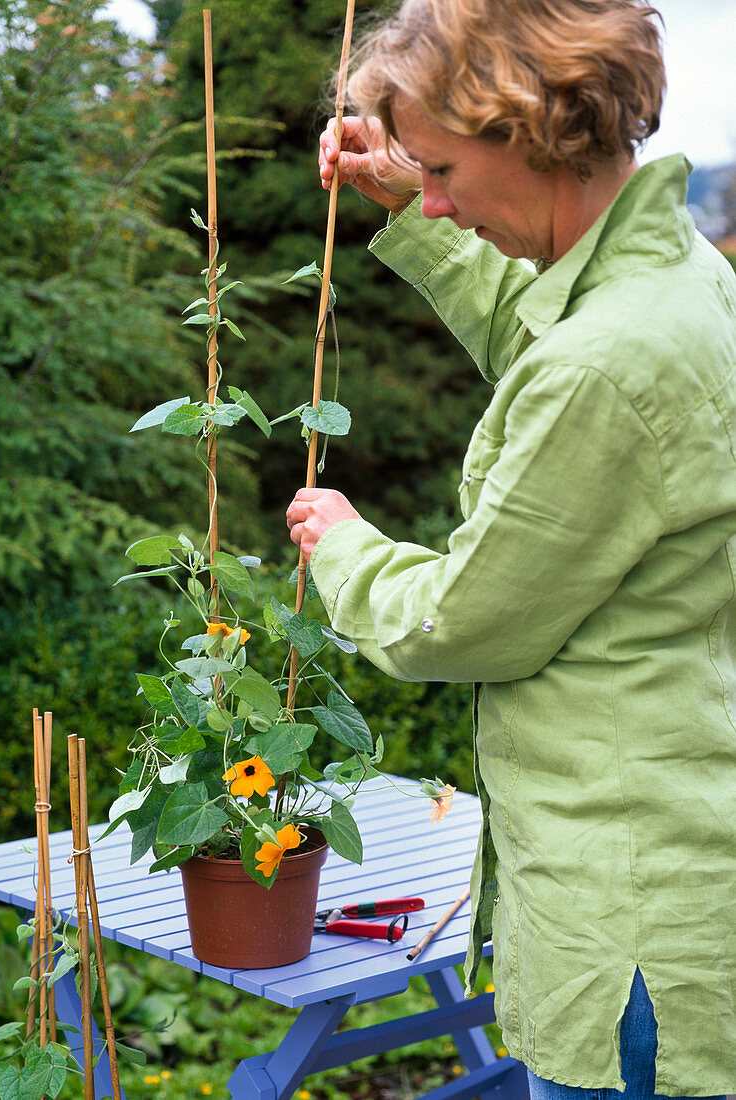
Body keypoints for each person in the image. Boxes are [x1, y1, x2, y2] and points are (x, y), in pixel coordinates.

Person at [285, 1, 736, 1097]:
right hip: (681, 844)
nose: (431, 194)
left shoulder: (607, 364)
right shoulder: (682, 280)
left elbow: (466, 620)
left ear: (532, 131)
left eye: (440, 167)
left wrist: (343, 547)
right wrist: (415, 213)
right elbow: (547, 332)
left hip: (626, 915)